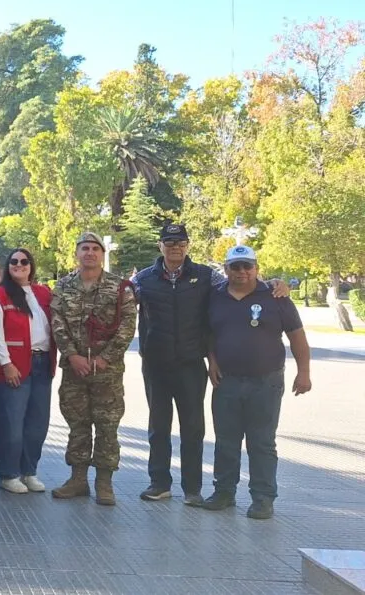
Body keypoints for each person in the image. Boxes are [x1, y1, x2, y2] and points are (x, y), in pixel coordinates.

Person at [133, 223, 288, 506]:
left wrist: (274, 283)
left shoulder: (206, 277)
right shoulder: (144, 279)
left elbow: (241, 282)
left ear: (188, 245)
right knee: (158, 425)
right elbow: (119, 300)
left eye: (180, 242)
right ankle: (159, 483)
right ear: (161, 246)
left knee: (193, 428)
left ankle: (192, 488)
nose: (175, 247)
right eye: (169, 242)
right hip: (156, 364)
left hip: (192, 364)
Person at [203, 245, 311, 520]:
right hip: (226, 381)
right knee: (226, 440)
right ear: (225, 270)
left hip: (266, 381)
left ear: (256, 268)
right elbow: (209, 334)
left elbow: (296, 336)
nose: (241, 272)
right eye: (235, 267)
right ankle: (224, 492)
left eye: (247, 266)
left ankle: (263, 498)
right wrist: (212, 361)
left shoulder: (276, 296)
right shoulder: (214, 297)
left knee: (261, 442)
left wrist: (304, 372)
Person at [50, 232, 137, 506]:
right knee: (77, 424)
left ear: (102, 254)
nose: (89, 253)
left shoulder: (120, 287)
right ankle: (77, 479)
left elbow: (128, 325)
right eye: (84, 248)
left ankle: (104, 482)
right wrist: (73, 355)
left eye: (94, 249)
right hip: (75, 370)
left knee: (107, 425)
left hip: (107, 372)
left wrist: (106, 358)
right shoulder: (63, 286)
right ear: (76, 253)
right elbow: (56, 322)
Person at [0, 248, 55, 494]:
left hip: (42, 364)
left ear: (31, 265)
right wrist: (6, 363)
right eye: (14, 261)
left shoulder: (44, 293)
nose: (19, 265)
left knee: (37, 424)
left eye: (25, 261)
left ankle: (29, 471)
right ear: (7, 265)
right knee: (11, 424)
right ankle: (9, 474)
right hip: (12, 367)